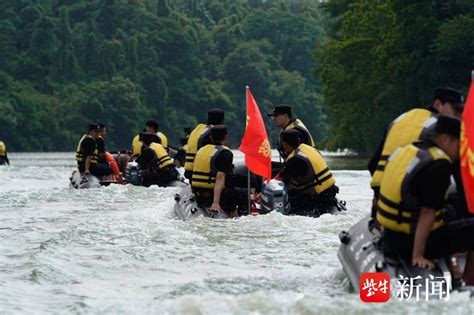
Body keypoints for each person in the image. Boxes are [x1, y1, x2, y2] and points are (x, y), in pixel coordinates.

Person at [376, 115, 474, 285]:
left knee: (453, 206)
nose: (460, 152)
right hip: (410, 244)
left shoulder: (409, 151)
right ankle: (469, 281)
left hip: (390, 237)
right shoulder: (439, 165)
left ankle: (452, 266)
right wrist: (418, 255)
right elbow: (428, 212)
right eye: (459, 144)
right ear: (445, 139)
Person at [369, 87, 465, 216]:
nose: (459, 116)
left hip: (382, 205)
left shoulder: (402, 120)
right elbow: (459, 177)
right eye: (456, 110)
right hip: (412, 210)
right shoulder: (441, 132)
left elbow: (373, 164)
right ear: (437, 104)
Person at [278, 129, 340, 216]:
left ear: (284, 144)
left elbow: (281, 181)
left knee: (287, 200)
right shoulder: (310, 149)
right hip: (330, 192)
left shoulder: (295, 159)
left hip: (317, 199)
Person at [191, 125, 247, 216]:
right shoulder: (225, 153)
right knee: (244, 193)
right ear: (226, 137)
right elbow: (220, 177)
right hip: (212, 196)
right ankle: (242, 216)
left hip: (198, 195)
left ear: (210, 137)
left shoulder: (201, 150)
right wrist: (216, 202)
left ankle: (232, 211)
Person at [184, 108, 225, 181]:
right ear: (221, 121)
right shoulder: (213, 133)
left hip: (190, 172)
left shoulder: (197, 130)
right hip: (204, 175)